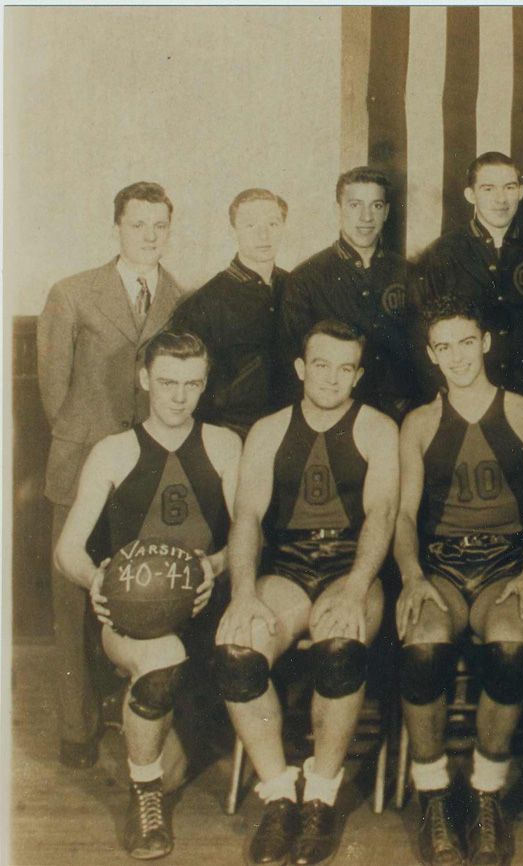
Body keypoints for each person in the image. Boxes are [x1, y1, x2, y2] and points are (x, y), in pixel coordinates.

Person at [213, 320, 400, 866]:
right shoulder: (269, 430)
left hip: (352, 567)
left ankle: (320, 795)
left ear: (358, 375)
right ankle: (277, 796)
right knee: (238, 650)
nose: (332, 378)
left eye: (345, 368)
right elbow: (247, 517)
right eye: (321, 365)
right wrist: (243, 593)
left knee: (339, 646)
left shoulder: (377, 428)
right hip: (288, 569)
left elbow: (382, 513)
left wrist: (357, 588)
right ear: (300, 368)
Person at [54, 331, 240, 859]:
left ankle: (165, 737)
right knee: (160, 669)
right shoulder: (112, 452)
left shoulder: (225, 445)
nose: (179, 397)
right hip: (135, 619)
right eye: (167, 383)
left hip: (205, 616)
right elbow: (67, 549)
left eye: (192, 384)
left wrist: (215, 565)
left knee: (177, 767)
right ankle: (144, 801)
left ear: (204, 383)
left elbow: (251, 536)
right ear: (144, 380)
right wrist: (96, 582)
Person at [393, 294, 523, 866]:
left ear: (485, 342)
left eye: (466, 342)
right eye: (444, 347)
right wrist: (412, 576)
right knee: (421, 646)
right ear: (431, 355)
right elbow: (403, 515)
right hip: (440, 566)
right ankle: (433, 796)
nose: (457, 357)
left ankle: (487, 794)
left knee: (510, 647)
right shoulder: (419, 423)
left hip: (506, 567)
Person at [38, 181, 185, 768]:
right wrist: (93, 445)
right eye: (137, 224)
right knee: (73, 599)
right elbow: (54, 393)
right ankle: (75, 728)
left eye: (159, 225)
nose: (149, 236)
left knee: (140, 591)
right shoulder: (72, 294)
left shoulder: (180, 297)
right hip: (81, 462)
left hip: (147, 471)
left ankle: (138, 715)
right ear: (117, 227)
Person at [277, 166, 427, 424]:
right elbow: (292, 365)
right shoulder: (305, 279)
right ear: (338, 210)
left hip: (401, 413)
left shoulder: (410, 273)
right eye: (355, 205)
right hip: (334, 415)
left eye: (376, 206)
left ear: (386, 212)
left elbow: (424, 351)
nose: (366, 217)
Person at [419, 152, 523, 405]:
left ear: (521, 191)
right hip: (467, 395)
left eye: (509, 187)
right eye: (488, 189)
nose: (501, 199)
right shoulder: (441, 254)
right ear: (470, 194)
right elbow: (425, 330)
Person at [172, 188, 290, 437]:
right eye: (250, 225)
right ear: (232, 230)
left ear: (283, 227)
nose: (263, 234)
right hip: (231, 432)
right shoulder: (204, 302)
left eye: (272, 224)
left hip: (292, 428)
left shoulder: (298, 288)